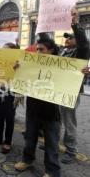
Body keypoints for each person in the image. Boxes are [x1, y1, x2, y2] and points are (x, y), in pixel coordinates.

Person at [14, 37, 61, 177]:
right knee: (30, 138)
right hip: (33, 109)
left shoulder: (61, 66)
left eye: (42, 49)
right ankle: (27, 160)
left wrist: (80, 72)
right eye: (37, 49)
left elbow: (83, 49)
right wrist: (17, 70)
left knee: (51, 143)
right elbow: (21, 79)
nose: (38, 52)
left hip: (50, 112)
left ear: (51, 51)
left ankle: (52, 171)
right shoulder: (31, 63)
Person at [58, 8, 90, 164]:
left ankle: (71, 150)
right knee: (56, 117)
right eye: (66, 38)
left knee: (68, 120)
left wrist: (76, 25)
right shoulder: (62, 52)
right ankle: (55, 143)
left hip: (71, 91)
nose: (67, 40)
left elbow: (84, 44)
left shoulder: (81, 52)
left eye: (70, 38)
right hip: (57, 90)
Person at [0, 43, 19, 154]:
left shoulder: (18, 63)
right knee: (0, 115)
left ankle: (8, 142)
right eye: (3, 50)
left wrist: (15, 68)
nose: (3, 52)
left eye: (7, 50)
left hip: (10, 93)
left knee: (9, 118)